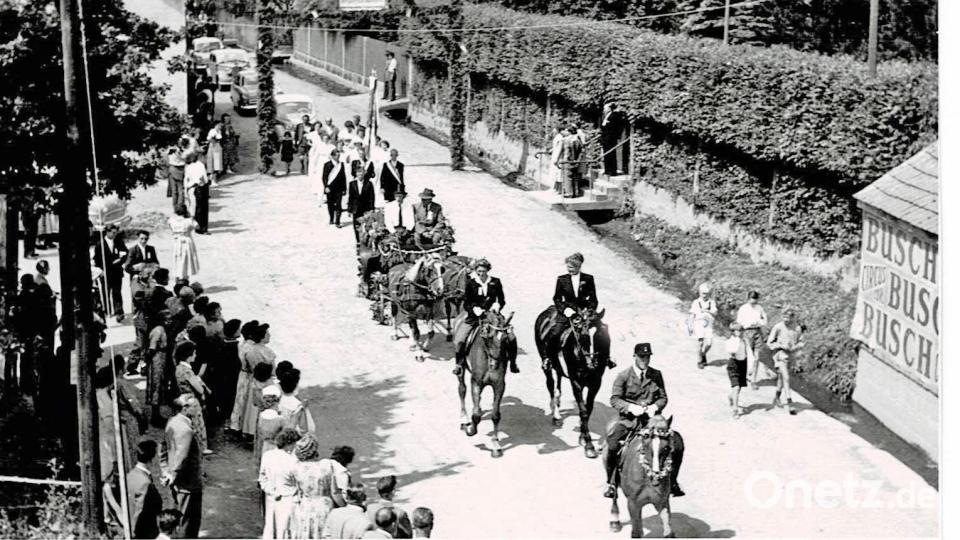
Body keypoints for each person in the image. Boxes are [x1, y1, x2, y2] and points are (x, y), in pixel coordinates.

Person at [602, 343, 684, 498]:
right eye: (641, 357)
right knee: (612, 445)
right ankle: (611, 482)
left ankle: (673, 481)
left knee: (677, 443)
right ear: (634, 356)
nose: (645, 360)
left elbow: (663, 397)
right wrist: (630, 407)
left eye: (647, 357)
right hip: (629, 420)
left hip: (652, 421)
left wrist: (655, 406)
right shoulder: (623, 376)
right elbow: (614, 399)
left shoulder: (656, 374)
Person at [548, 252, 611, 369]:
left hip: (585, 313)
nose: (569, 270)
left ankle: (606, 357)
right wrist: (566, 310)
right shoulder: (561, 279)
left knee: (603, 329)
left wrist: (589, 311)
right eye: (568, 267)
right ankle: (549, 359)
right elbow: (557, 298)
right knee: (555, 333)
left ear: (579, 267)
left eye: (571, 267)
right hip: (567, 313)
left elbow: (593, 299)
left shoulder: (588, 279)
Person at [452, 259, 507, 376]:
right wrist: (474, 309)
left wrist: (498, 305)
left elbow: (502, 300)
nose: (481, 274)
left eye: (483, 271)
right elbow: (467, 303)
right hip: (474, 317)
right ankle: (459, 364)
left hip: (492, 316)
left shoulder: (495, 282)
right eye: (479, 271)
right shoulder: (471, 283)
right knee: (459, 340)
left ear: (488, 270)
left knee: (510, 336)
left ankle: (512, 362)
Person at [161, 394, 204, 539]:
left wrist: (166, 471)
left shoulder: (172, 422)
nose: (198, 409)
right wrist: (174, 473)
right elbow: (182, 457)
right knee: (188, 522)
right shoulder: (186, 430)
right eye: (195, 406)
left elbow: (163, 448)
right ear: (185, 408)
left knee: (178, 516)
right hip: (188, 483)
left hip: (176, 481)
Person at [260, 427, 302, 539]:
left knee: (271, 527)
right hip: (289, 501)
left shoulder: (267, 455)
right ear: (289, 443)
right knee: (286, 531)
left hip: (271, 498)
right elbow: (299, 483)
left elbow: (262, 478)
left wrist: (270, 490)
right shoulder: (293, 461)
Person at [174, 342, 213, 455]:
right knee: (198, 424)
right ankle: (201, 447)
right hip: (192, 399)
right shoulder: (187, 371)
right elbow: (199, 389)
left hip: (183, 397)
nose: (195, 355)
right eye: (194, 353)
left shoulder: (179, 368)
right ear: (189, 356)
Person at [293, 434, 335, 539]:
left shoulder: (297, 468)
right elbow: (334, 491)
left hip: (305, 506)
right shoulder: (326, 465)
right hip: (323, 505)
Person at [766, 309, 804, 415]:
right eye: (784, 317)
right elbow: (769, 343)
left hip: (791, 356)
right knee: (786, 377)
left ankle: (777, 396)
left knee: (781, 378)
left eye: (788, 318)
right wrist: (781, 346)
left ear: (792, 318)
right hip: (780, 355)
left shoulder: (797, 328)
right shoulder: (778, 327)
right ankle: (790, 403)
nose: (785, 320)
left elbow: (801, 342)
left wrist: (796, 347)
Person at [126, 440, 163, 539]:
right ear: (153, 459)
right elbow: (140, 512)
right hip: (143, 533)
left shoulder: (130, 476)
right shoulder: (145, 483)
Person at [93, 224, 129, 322]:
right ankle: (107, 311)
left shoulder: (119, 241)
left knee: (117, 292)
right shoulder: (100, 244)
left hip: (117, 272)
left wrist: (120, 260)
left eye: (116, 232)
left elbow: (125, 253)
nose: (115, 234)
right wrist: (101, 270)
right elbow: (96, 259)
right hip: (106, 273)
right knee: (106, 292)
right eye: (113, 233)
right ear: (107, 232)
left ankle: (119, 312)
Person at [736, 290, 768, 390]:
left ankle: (753, 380)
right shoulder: (743, 308)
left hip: (758, 332)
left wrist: (759, 323)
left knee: (757, 358)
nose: (753, 302)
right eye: (751, 299)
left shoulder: (759, 308)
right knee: (747, 356)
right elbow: (739, 321)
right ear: (748, 299)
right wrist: (748, 324)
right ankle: (743, 375)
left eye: (755, 299)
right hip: (747, 332)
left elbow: (764, 320)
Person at [146, 309, 172, 427]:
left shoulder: (163, 329)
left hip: (161, 358)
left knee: (160, 385)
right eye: (167, 320)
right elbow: (152, 348)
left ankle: (157, 414)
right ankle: (155, 416)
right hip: (157, 359)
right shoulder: (158, 330)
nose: (169, 322)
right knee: (156, 386)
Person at [725, 323, 755, 418]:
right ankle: (735, 410)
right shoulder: (731, 341)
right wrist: (736, 342)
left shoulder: (745, 341)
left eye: (742, 330)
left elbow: (749, 354)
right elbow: (731, 350)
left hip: (743, 365)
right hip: (733, 365)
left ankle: (731, 396)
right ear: (733, 332)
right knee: (736, 387)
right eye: (738, 330)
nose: (740, 332)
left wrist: (750, 367)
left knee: (739, 387)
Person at [217, 318, 243, 422]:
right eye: (239, 329)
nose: (240, 331)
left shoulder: (223, 343)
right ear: (234, 331)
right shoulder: (232, 346)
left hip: (223, 377)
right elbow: (236, 364)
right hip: (231, 378)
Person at [688, 282, 718, 369]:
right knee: (700, 343)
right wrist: (690, 325)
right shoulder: (696, 302)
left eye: (706, 294)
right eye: (703, 293)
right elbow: (692, 314)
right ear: (699, 293)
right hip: (699, 324)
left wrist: (707, 311)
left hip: (708, 325)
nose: (704, 295)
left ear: (709, 294)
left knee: (709, 343)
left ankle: (703, 354)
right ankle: (699, 361)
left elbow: (715, 313)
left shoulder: (711, 303)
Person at [278, 368, 316, 434]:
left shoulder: (277, 401)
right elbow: (310, 429)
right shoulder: (298, 405)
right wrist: (306, 409)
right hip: (293, 435)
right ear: (296, 385)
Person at [169, 206, 200, 283]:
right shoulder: (189, 220)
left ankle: (178, 277)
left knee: (177, 259)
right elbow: (198, 227)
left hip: (176, 242)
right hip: (186, 241)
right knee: (186, 260)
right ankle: (184, 278)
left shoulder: (171, 220)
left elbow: (170, 227)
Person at [256, 385, 285, 465]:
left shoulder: (261, 415)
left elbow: (259, 433)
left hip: (265, 446)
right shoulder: (280, 419)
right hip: (276, 447)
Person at [348, 163, 377, 242]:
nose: (360, 175)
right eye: (358, 173)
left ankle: (365, 241)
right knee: (356, 226)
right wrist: (349, 210)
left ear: (364, 173)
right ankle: (358, 241)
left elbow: (372, 197)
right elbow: (350, 197)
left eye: (361, 173)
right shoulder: (352, 184)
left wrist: (372, 208)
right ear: (356, 174)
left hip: (365, 208)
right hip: (356, 209)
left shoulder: (369, 184)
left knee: (366, 225)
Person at [322, 149, 348, 227]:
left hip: (339, 188)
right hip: (330, 188)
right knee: (330, 204)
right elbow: (324, 177)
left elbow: (343, 177)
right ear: (332, 156)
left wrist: (344, 188)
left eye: (339, 155)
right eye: (336, 155)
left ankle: (338, 221)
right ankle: (331, 218)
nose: (338, 157)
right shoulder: (327, 164)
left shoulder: (341, 165)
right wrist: (326, 187)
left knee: (339, 205)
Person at [600, 103, 627, 176]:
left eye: (605, 108)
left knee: (611, 154)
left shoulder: (614, 115)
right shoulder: (606, 116)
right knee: (606, 154)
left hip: (610, 138)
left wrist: (608, 125)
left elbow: (616, 126)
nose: (604, 110)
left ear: (609, 108)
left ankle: (612, 171)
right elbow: (603, 126)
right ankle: (607, 170)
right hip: (605, 138)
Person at [559, 126, 583, 198]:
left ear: (569, 132)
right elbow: (580, 151)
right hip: (576, 160)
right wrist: (578, 160)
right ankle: (575, 192)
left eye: (566, 131)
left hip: (568, 160)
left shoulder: (567, 140)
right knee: (574, 176)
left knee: (567, 176)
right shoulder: (578, 140)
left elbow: (567, 151)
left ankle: (569, 193)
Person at [206, 120, 224, 184]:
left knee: (217, 163)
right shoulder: (212, 131)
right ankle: (212, 180)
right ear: (216, 125)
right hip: (213, 147)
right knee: (213, 162)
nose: (220, 126)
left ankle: (214, 179)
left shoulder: (219, 131)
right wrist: (213, 141)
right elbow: (209, 139)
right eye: (219, 125)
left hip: (217, 146)